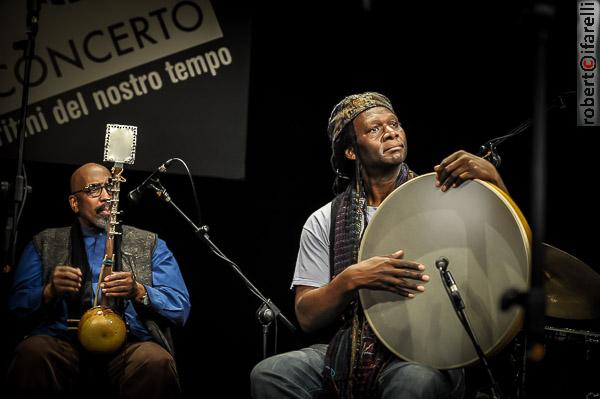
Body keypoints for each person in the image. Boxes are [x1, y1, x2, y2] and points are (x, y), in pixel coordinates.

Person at [250, 92, 508, 398]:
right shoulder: (324, 220)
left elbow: (508, 247)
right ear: (350, 151)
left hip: (428, 348)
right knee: (269, 375)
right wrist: (351, 279)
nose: (391, 132)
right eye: (374, 129)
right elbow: (307, 316)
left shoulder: (438, 196)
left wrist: (494, 180)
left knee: (414, 382)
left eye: (394, 123)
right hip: (351, 348)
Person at [6, 162, 191, 398]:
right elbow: (14, 308)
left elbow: (180, 308)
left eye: (111, 187)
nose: (106, 196)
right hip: (63, 343)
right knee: (32, 353)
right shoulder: (44, 242)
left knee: (155, 361)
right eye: (94, 189)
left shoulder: (150, 243)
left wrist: (139, 290)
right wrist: (49, 290)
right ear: (74, 203)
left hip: (128, 346)